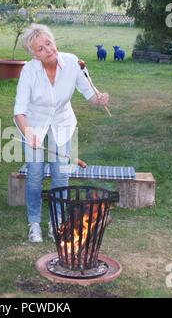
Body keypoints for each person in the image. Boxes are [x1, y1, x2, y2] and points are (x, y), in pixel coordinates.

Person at [13, 24, 110, 243]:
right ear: (33, 55)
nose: (47, 50)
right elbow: (19, 111)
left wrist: (99, 99)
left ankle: (56, 223)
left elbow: (89, 95)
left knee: (61, 175)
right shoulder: (29, 71)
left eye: (48, 43)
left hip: (63, 124)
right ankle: (34, 224)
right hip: (33, 125)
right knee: (35, 176)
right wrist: (28, 133)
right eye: (40, 48)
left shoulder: (73, 63)